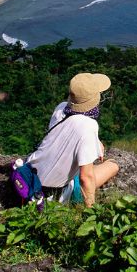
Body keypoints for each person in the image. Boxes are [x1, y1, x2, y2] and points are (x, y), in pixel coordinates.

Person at [26, 73, 119, 208]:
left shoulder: (61, 107)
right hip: (52, 193)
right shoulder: (88, 126)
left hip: (31, 174)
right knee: (112, 165)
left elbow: (67, 133)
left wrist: (96, 141)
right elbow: (85, 178)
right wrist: (91, 213)